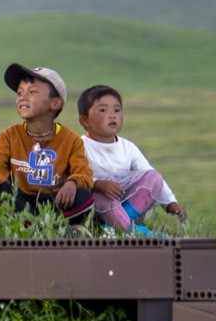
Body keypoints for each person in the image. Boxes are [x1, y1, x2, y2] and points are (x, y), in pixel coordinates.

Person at [0, 64, 95, 225]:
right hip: (20, 201)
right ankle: (43, 227)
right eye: (19, 93)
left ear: (56, 103)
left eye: (32, 92)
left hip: (55, 202)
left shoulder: (71, 140)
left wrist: (72, 183)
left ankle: (35, 225)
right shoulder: (10, 135)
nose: (22, 97)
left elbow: (84, 174)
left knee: (84, 198)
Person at [78, 84, 185, 233]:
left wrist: (170, 202)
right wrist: (98, 185)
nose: (112, 115)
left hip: (125, 200)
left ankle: (112, 228)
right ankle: (138, 233)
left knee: (153, 177)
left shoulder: (128, 147)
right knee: (103, 198)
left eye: (117, 110)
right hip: (97, 203)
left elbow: (149, 173)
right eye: (103, 110)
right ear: (85, 121)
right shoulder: (80, 146)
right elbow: (74, 177)